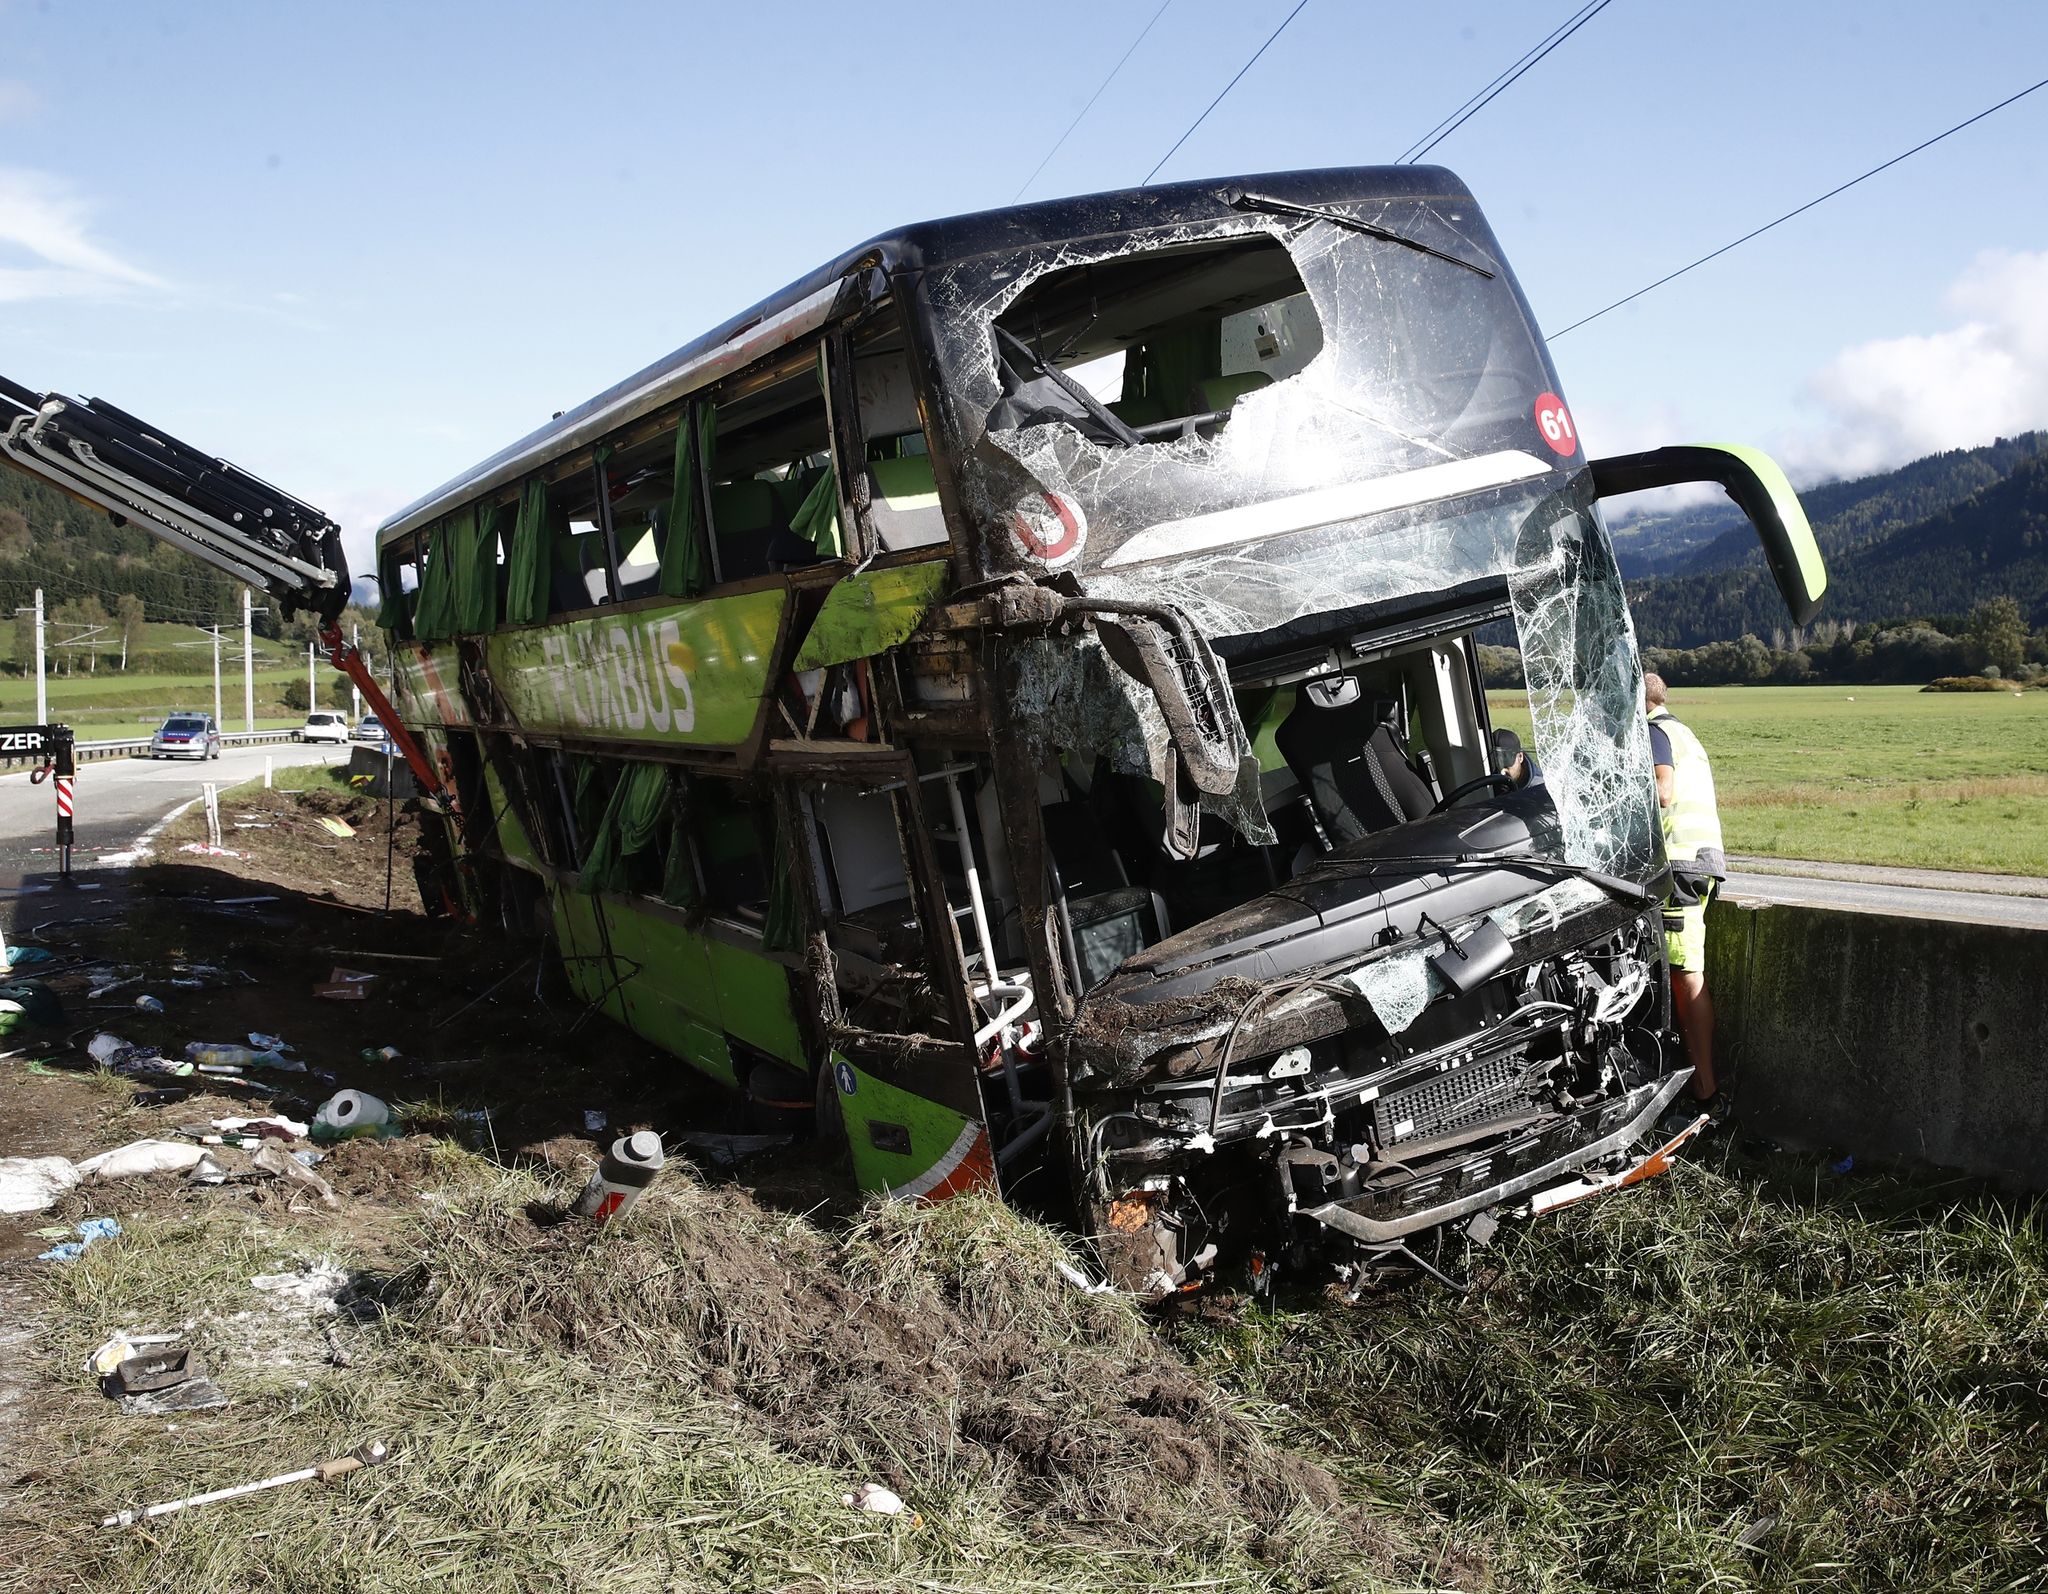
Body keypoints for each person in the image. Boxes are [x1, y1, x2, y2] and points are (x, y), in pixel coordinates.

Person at [1644, 672, 1726, 1119]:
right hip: (1698, 860)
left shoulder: (1653, 732)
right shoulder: (1683, 732)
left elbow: (1662, 790)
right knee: (1681, 970)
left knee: (1684, 974)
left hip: (1678, 865)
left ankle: (1704, 1094)